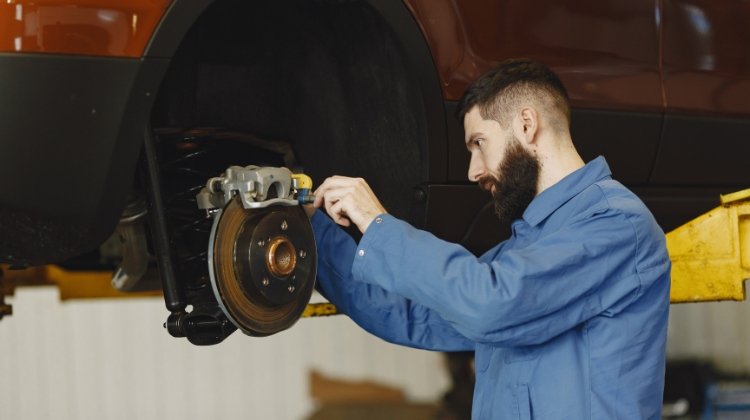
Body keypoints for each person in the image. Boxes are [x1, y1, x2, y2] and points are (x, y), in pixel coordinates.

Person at [307, 58, 671, 419]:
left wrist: (378, 223)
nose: (473, 171)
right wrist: (311, 230)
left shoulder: (616, 225)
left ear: (526, 125)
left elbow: (493, 303)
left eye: (479, 143)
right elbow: (409, 313)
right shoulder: (523, 251)